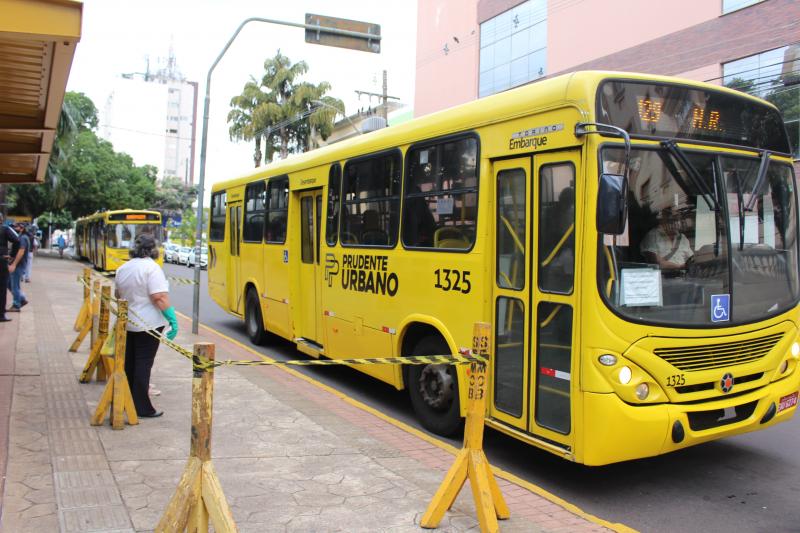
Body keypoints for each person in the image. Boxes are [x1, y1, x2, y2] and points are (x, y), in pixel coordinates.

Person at [114, 234, 178, 418]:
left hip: (128, 322)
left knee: (130, 364)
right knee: (143, 364)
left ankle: (125, 400)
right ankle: (142, 407)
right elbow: (159, 297)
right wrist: (172, 320)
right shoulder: (152, 268)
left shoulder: (123, 268)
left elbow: (118, 295)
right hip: (148, 324)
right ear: (153, 250)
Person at [0, 216, 20, 322]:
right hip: (2, 259)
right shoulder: (5, 229)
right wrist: (12, 255)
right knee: (2, 287)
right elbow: (17, 240)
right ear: (1, 220)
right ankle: (1, 315)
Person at [7, 223, 29, 312]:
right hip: (18, 264)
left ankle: (16, 305)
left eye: (16, 227)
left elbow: (21, 251)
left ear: (21, 228)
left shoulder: (23, 238)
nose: (14, 228)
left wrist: (14, 264)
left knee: (14, 285)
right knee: (9, 283)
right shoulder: (21, 237)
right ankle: (22, 298)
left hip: (18, 265)